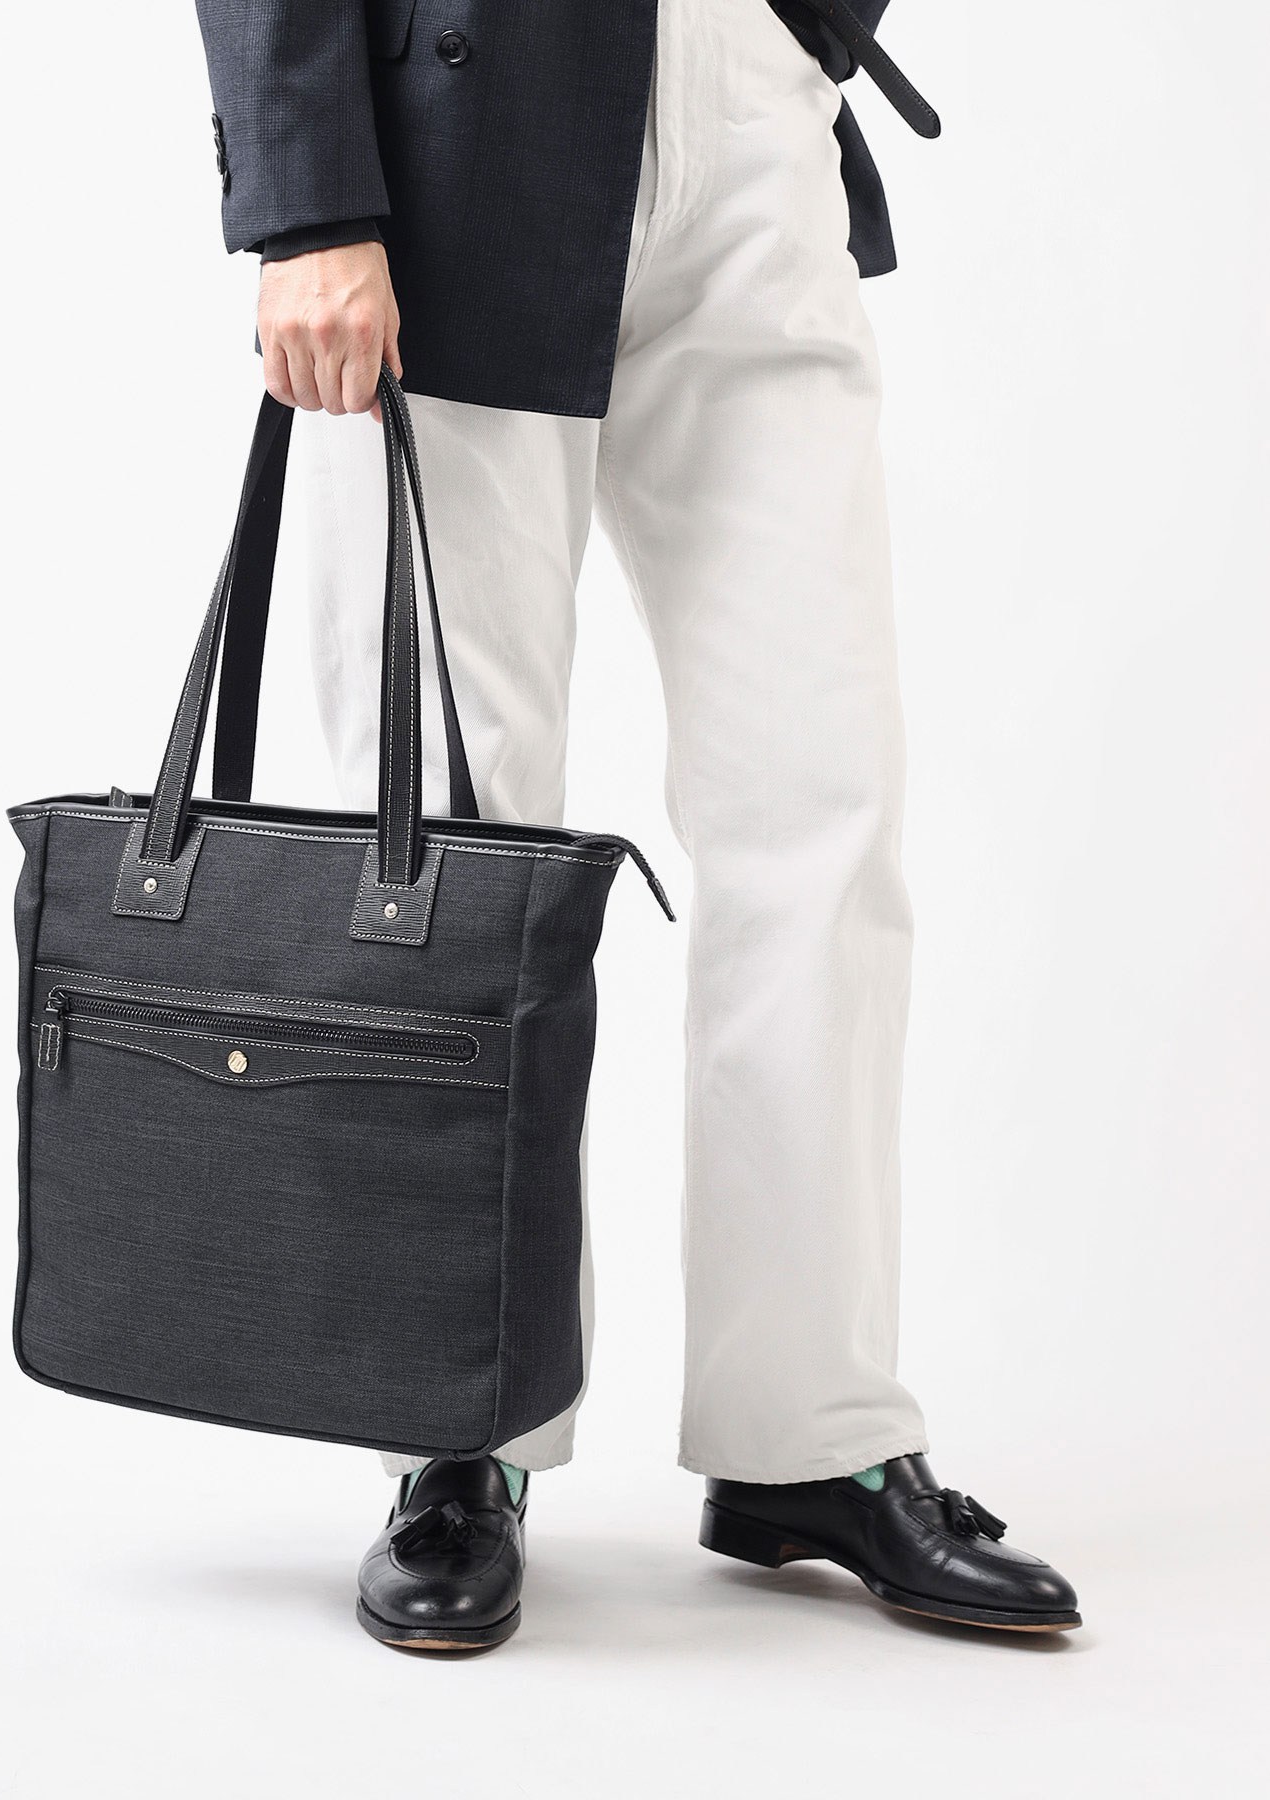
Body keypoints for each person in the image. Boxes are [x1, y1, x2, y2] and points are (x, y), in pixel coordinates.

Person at [192, 0, 1081, 1649]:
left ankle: (808, 1430)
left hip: (756, 123)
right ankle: (459, 1430)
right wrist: (307, 199)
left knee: (824, 800)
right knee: (450, 844)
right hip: (460, 132)